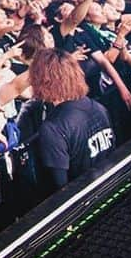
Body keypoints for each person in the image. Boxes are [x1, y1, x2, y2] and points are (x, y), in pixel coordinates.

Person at [29, 49, 116, 191]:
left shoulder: (53, 127)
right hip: (108, 189)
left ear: (41, 80)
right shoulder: (99, 108)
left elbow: (60, 187)